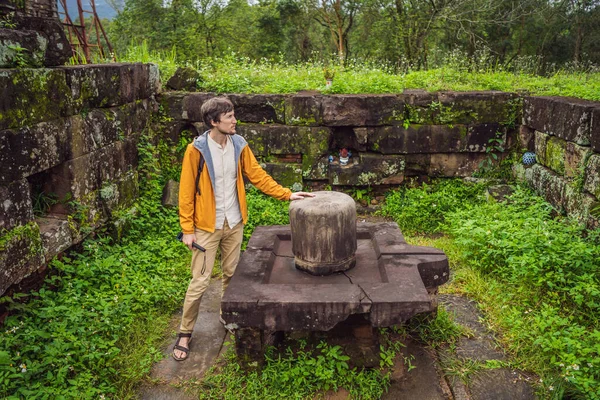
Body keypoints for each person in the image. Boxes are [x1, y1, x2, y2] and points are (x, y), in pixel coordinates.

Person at [173, 97, 314, 361]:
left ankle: (227, 315)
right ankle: (184, 332)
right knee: (200, 281)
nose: (234, 120)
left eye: (233, 115)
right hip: (206, 227)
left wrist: (287, 194)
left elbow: (258, 175)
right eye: (229, 117)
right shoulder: (197, 150)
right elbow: (185, 192)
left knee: (231, 275)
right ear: (214, 122)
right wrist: (188, 229)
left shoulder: (239, 144)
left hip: (234, 222)